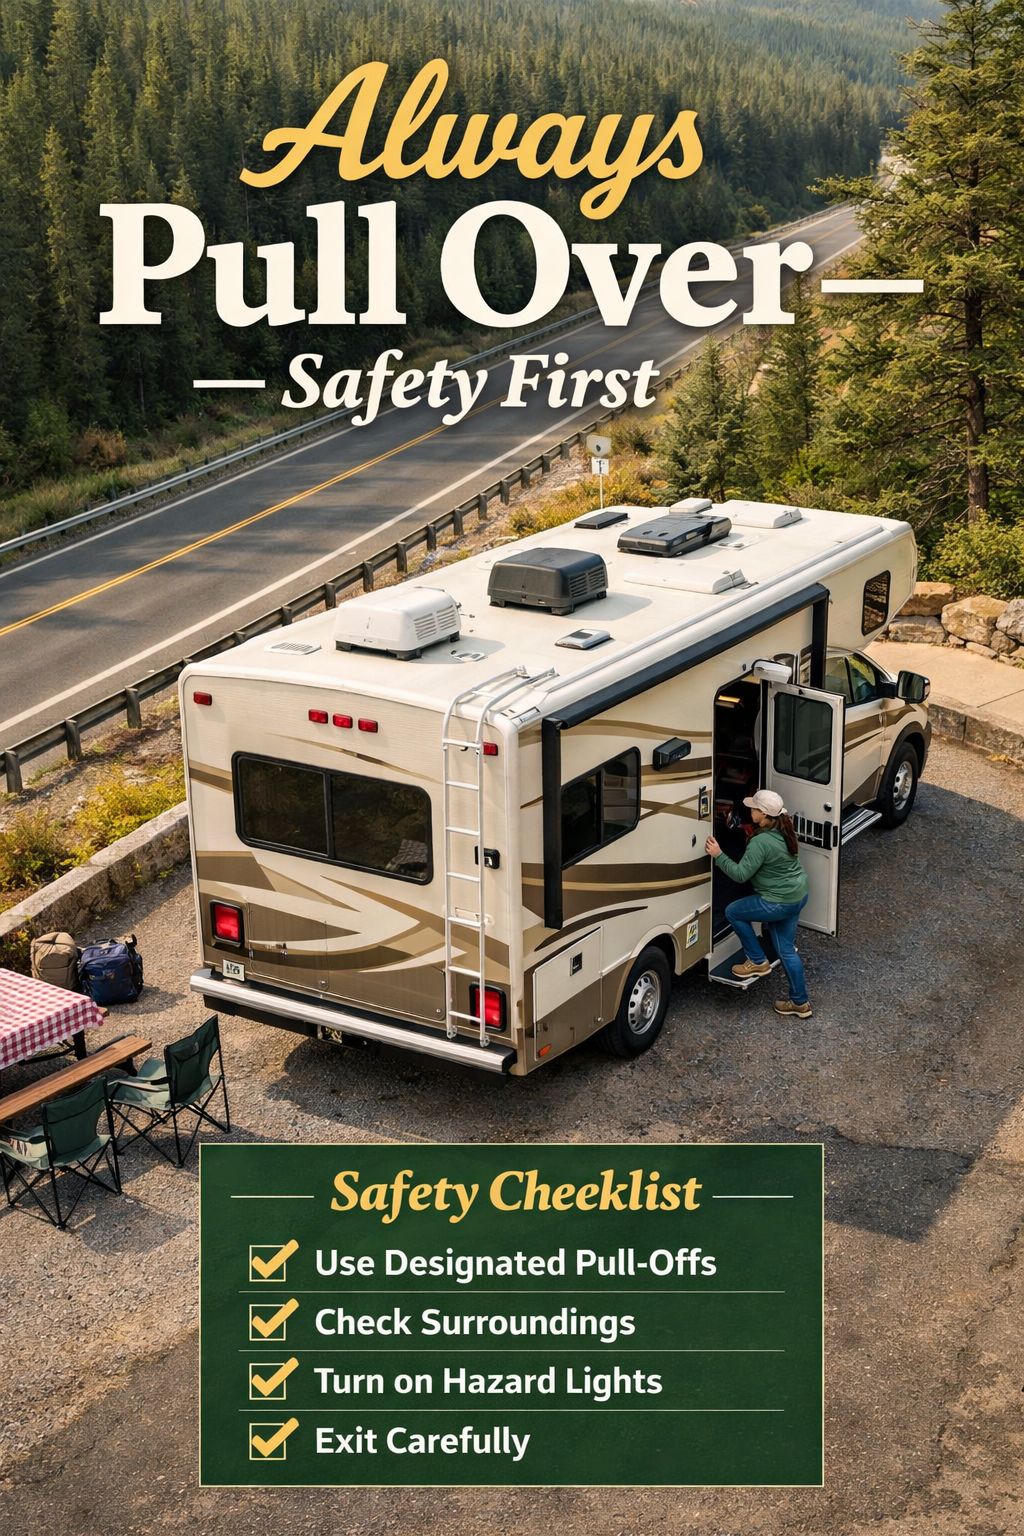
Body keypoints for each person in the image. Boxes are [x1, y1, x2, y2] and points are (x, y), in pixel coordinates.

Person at [704, 788, 812, 1019]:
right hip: (798, 895)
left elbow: (741, 874)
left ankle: (756, 960)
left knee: (734, 911)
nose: (750, 810)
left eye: (753, 807)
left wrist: (718, 854)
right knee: (786, 950)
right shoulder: (785, 829)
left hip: (778, 902)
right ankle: (800, 1003)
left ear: (763, 814)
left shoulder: (761, 842)